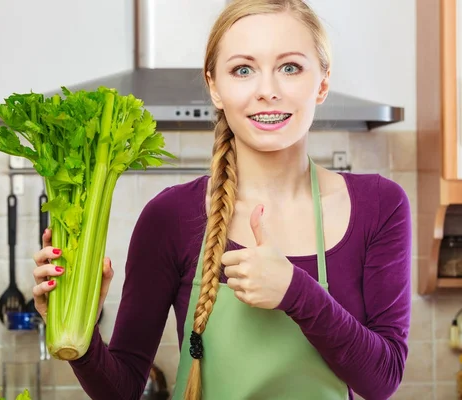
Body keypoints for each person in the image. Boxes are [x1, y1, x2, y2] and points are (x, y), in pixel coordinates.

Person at [31, 0, 412, 399]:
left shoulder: (381, 206)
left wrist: (295, 292)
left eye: (290, 67)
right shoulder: (169, 217)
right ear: (214, 86)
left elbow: (382, 381)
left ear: (322, 83)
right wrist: (79, 331)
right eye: (243, 70)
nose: (268, 91)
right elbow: (122, 389)